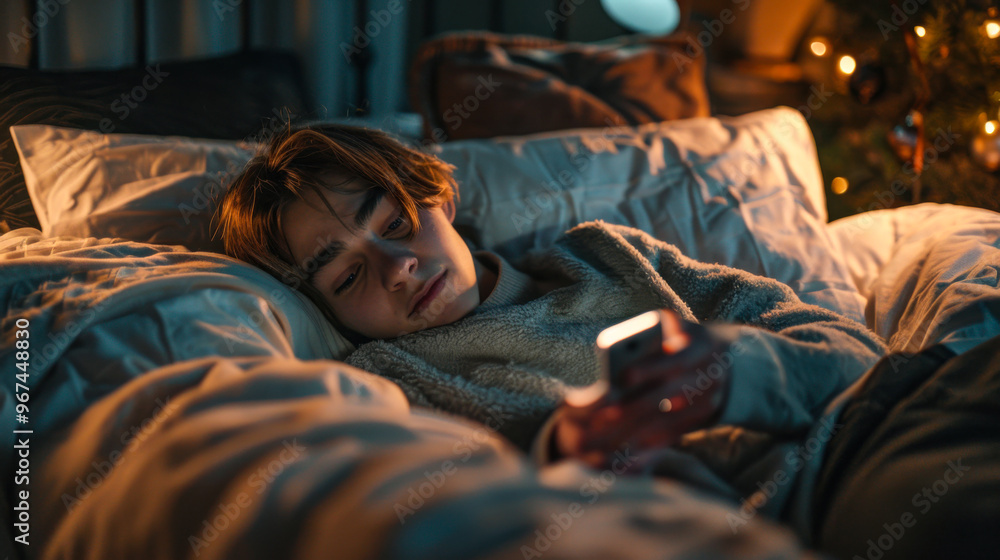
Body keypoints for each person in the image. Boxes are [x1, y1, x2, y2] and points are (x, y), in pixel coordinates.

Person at [214, 122, 887, 546]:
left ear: (439, 196)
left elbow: (856, 354)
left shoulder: (604, 256)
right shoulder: (393, 378)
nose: (398, 269)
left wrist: (735, 371)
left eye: (394, 225)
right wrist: (567, 444)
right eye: (346, 278)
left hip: (871, 436)